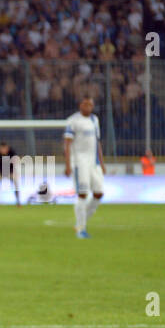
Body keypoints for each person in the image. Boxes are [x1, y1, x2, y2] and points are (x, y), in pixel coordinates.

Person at [64, 96, 104, 238]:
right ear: (80, 105)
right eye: (85, 104)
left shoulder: (95, 120)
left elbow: (97, 142)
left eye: (90, 104)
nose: (88, 107)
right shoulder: (73, 120)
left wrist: (102, 162)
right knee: (82, 194)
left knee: (99, 193)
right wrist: (68, 165)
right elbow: (67, 143)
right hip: (80, 163)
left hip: (94, 163)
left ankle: (80, 222)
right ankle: (81, 229)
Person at [0, 140, 20, 207]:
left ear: (7, 148)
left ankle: (18, 202)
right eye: (2, 148)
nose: (3, 150)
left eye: (5, 148)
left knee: (16, 184)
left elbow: (16, 160)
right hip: (0, 172)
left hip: (10, 172)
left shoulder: (12, 152)